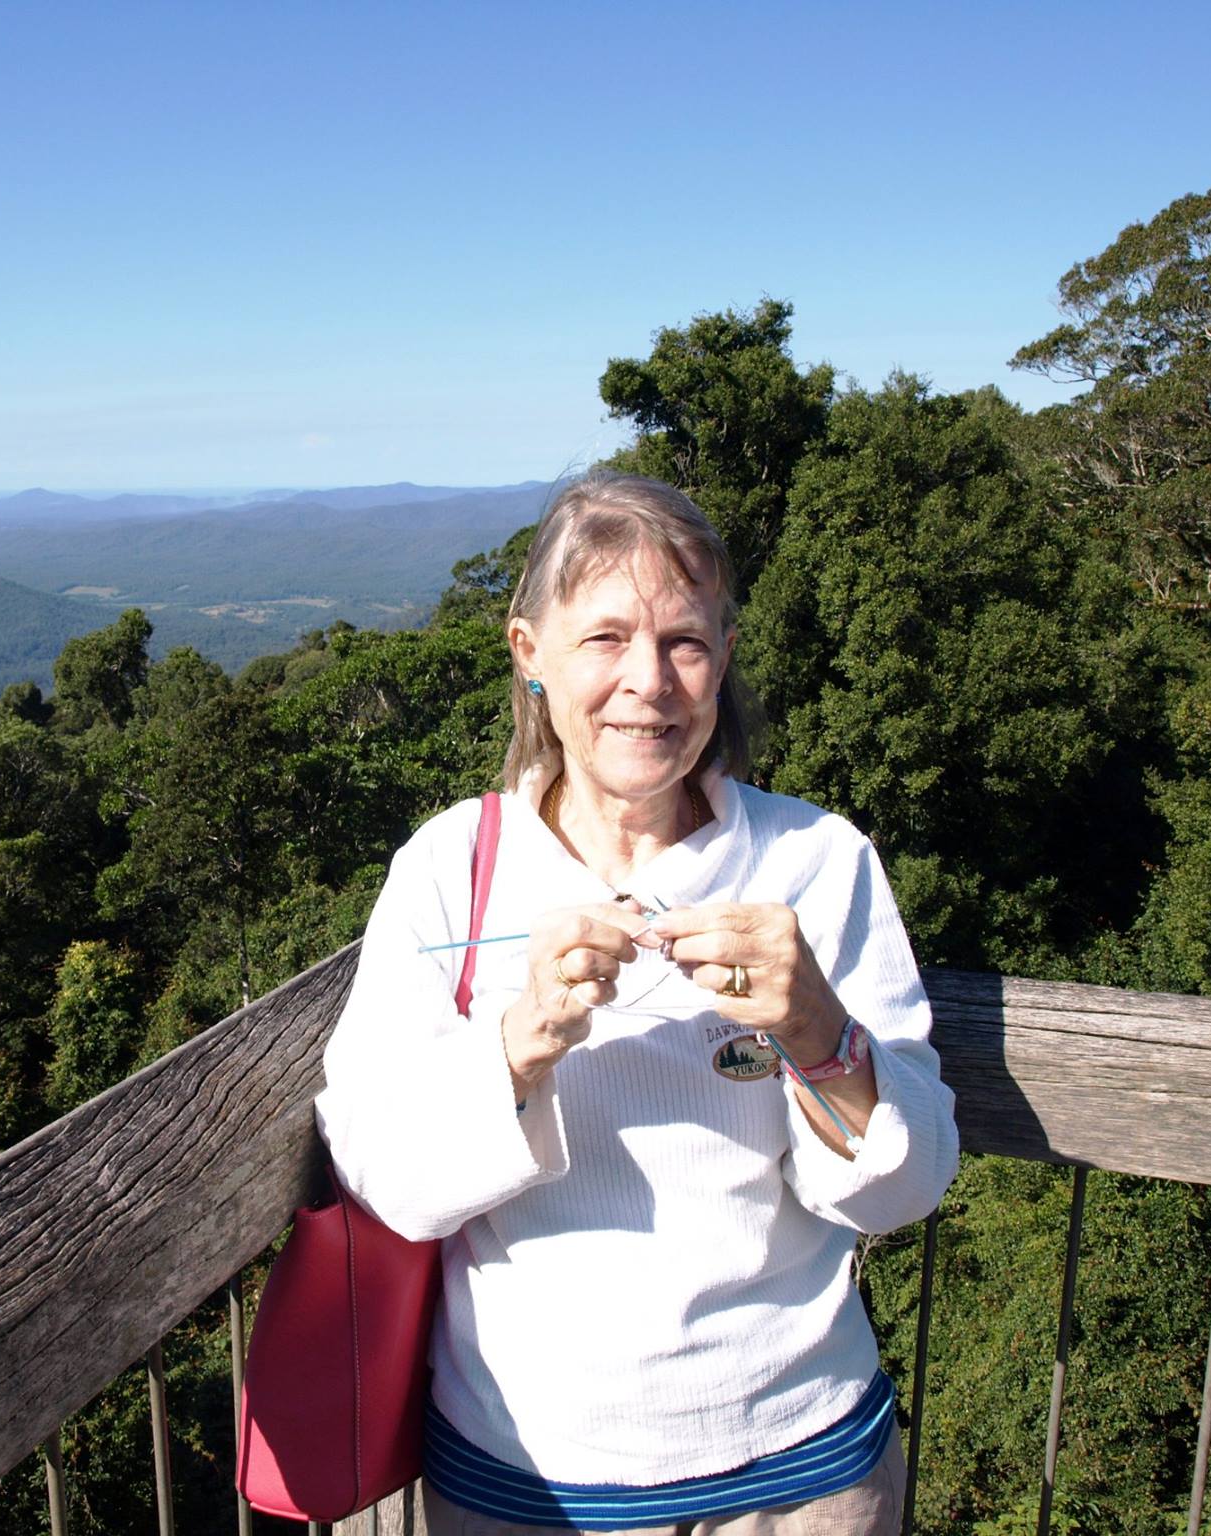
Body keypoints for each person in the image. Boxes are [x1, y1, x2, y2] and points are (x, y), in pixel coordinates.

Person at [315, 472, 959, 1535]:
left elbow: (905, 1188)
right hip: (525, 1479)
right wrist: (519, 1043)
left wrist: (817, 1029)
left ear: (724, 657)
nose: (647, 682)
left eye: (683, 642)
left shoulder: (815, 861)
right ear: (530, 654)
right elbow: (386, 1177)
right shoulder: (450, 870)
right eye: (605, 638)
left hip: (802, 1471)